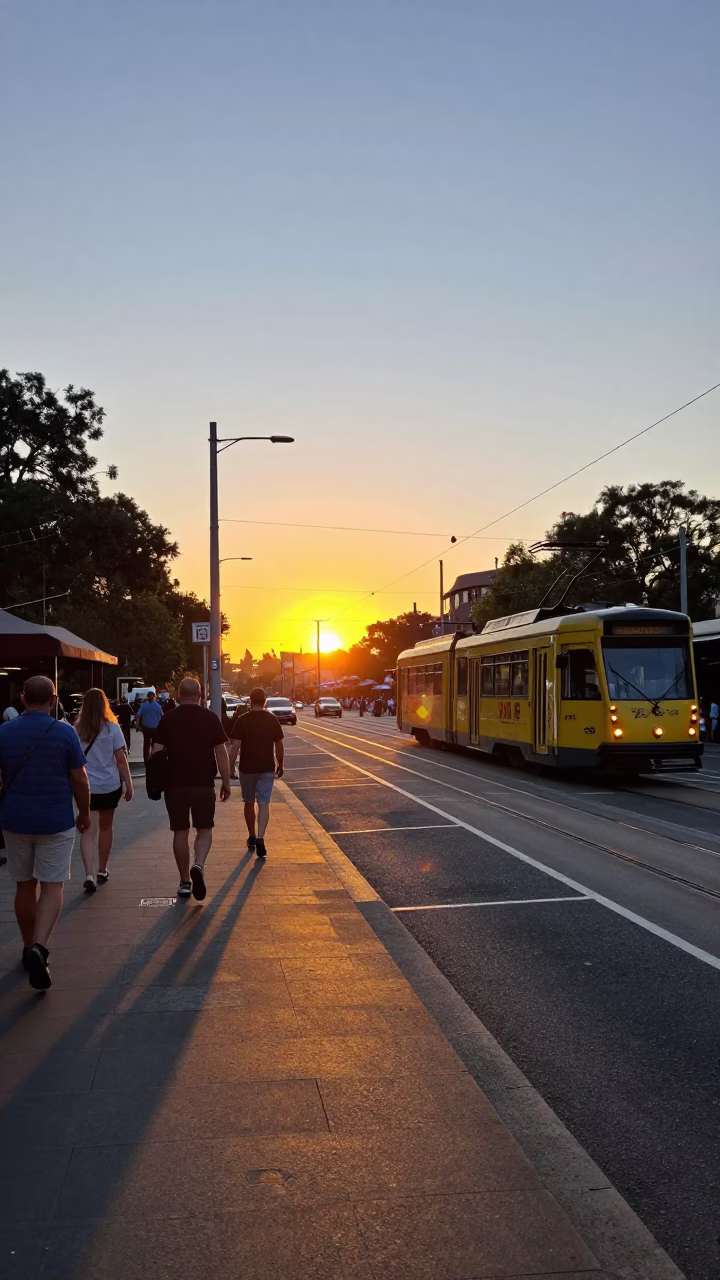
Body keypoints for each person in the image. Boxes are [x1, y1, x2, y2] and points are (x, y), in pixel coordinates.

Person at [0, 675, 90, 990]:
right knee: (52, 886)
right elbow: (79, 779)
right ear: (53, 701)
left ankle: (27, 947)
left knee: (24, 886)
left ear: (23, 699)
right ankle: (40, 946)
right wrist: (85, 813)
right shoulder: (64, 733)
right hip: (55, 821)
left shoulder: (4, 732)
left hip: (15, 821)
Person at [150, 676, 231, 900]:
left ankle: (185, 881)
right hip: (204, 784)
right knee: (204, 829)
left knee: (180, 831)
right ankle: (199, 865)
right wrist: (225, 781)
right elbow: (221, 754)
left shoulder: (168, 719)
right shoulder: (210, 718)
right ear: (200, 695)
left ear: (179, 694)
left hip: (175, 785)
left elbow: (156, 753)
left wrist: (156, 781)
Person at [74, 688, 133, 892]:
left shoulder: (76, 731)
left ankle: (89, 873)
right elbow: (120, 758)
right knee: (106, 828)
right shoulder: (112, 728)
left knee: (88, 831)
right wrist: (128, 783)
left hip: (86, 786)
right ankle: (102, 869)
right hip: (109, 785)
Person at [230, 686, 284, 859]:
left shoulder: (242, 720)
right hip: (267, 767)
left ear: (250, 701)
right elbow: (279, 744)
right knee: (264, 803)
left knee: (248, 802)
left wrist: (231, 766)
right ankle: (261, 835)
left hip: (247, 768)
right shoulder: (272, 719)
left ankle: (252, 836)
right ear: (265, 700)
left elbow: (235, 746)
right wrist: (280, 763)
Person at [135, 690, 164, 764]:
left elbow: (138, 715)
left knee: (146, 744)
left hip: (146, 728)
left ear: (147, 697)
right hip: (155, 728)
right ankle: (153, 758)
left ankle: (146, 760)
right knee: (155, 744)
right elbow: (162, 716)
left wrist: (137, 725)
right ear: (154, 697)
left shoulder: (143, 705)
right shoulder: (158, 706)